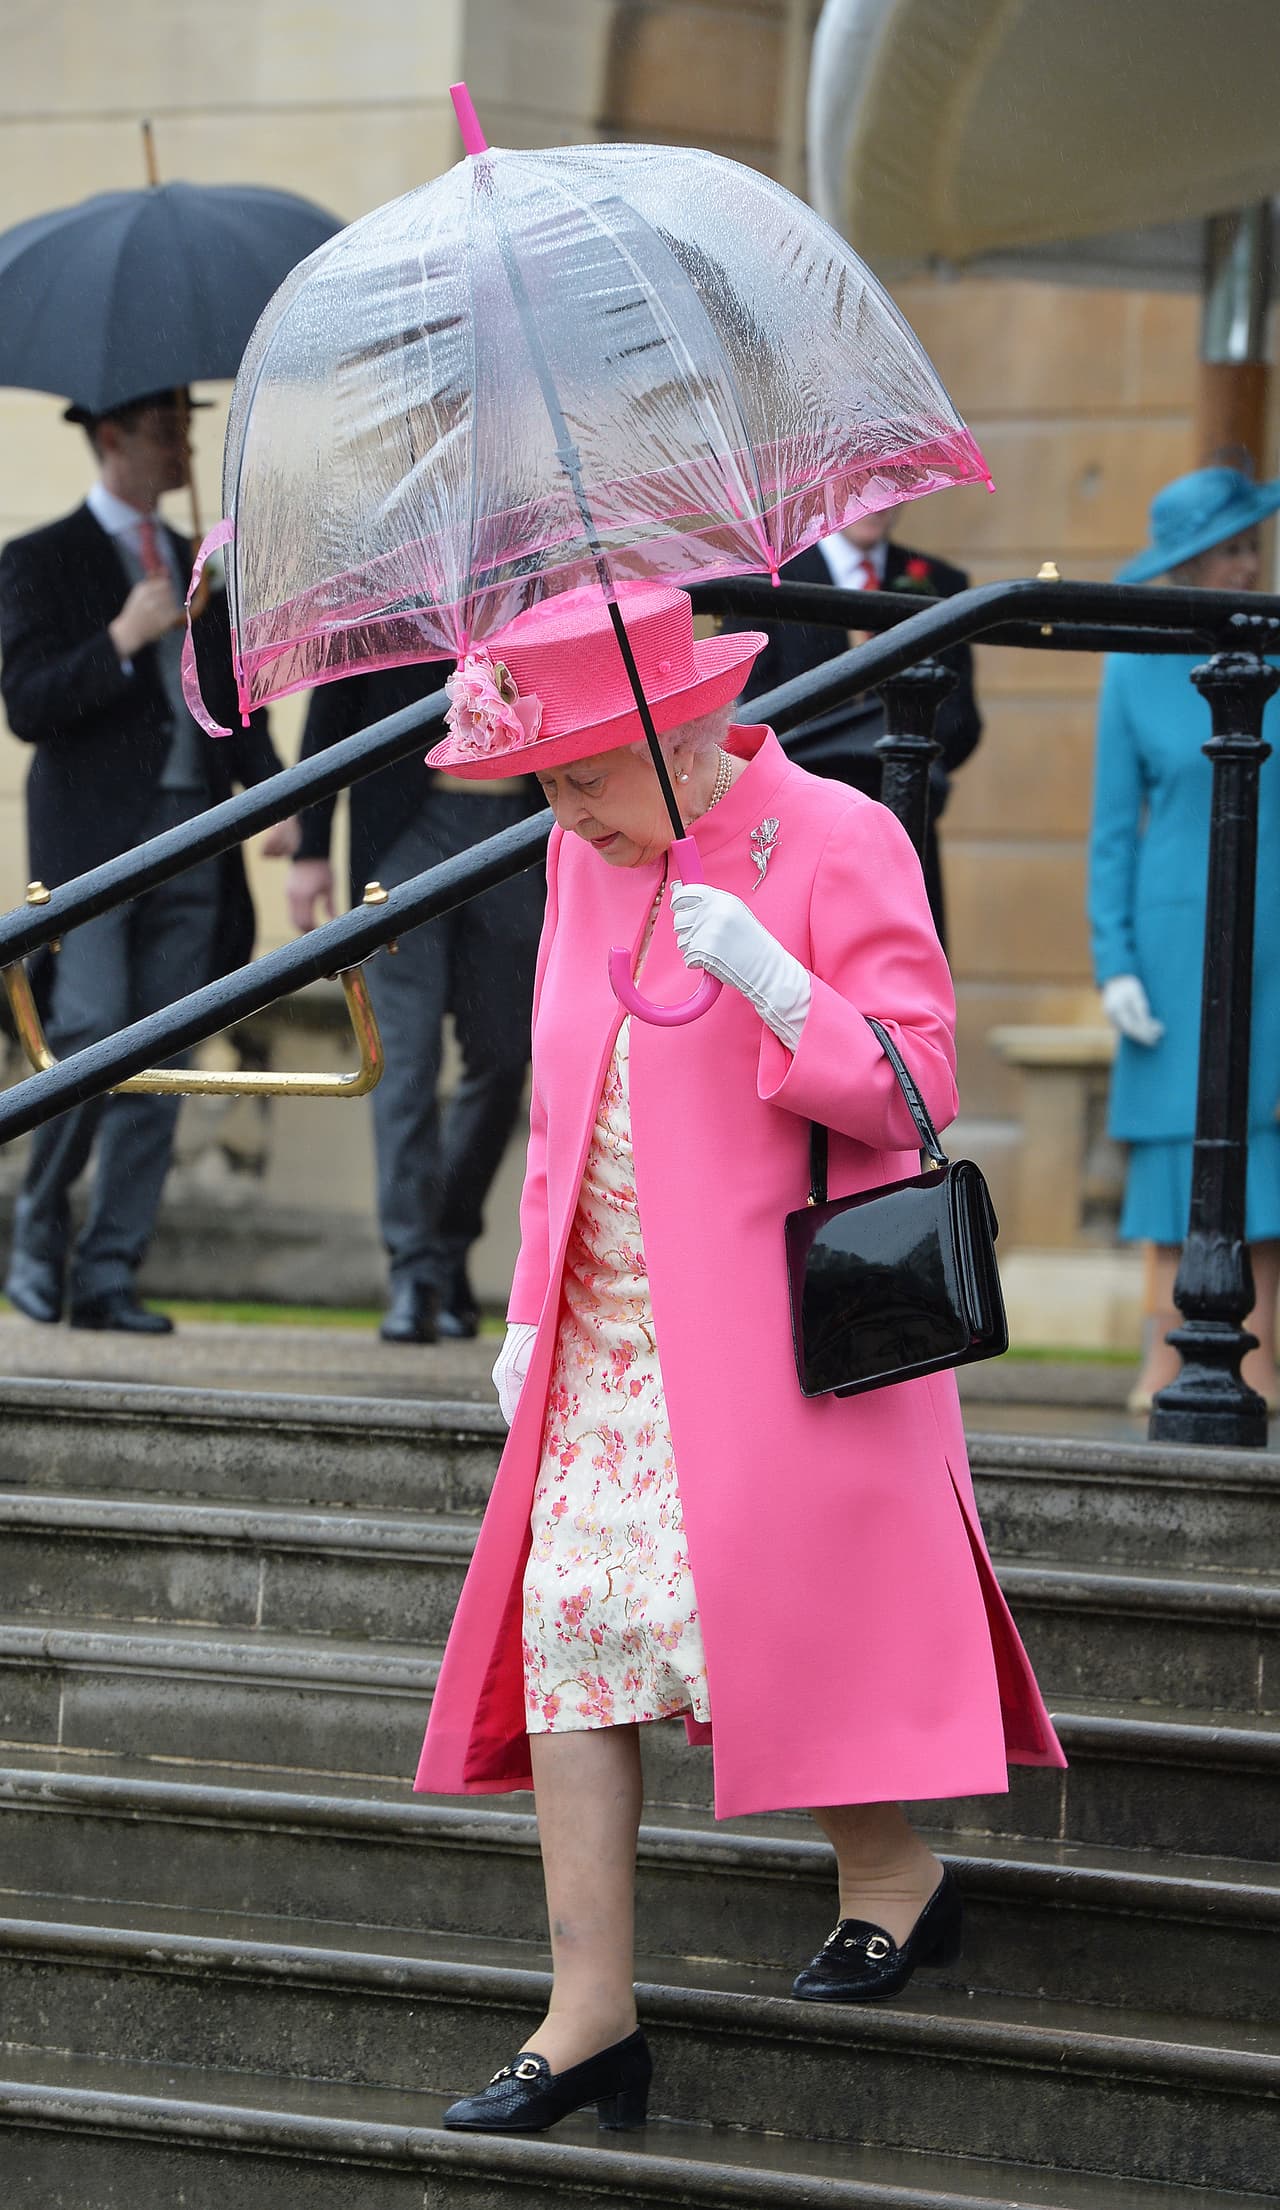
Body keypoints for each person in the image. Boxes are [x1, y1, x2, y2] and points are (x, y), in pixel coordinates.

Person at [411, 582, 1064, 2135]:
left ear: (678, 725)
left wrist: (781, 982)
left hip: (781, 1325)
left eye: (582, 769)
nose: (561, 806)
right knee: (577, 1633)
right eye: (546, 778)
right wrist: (521, 1308)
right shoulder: (585, 856)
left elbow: (915, 1092)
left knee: (762, 1614)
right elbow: (565, 1101)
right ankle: (589, 2016)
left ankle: (893, 1869)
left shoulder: (839, 835)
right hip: (607, 1331)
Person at [0, 387, 287, 1334]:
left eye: (189, 429)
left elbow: (235, 710)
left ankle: (110, 1272)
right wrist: (123, 636)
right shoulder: (40, 559)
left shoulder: (204, 563)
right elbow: (30, 706)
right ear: (113, 435)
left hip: (192, 838)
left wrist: (278, 798)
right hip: (90, 854)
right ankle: (36, 1238)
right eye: (170, 429)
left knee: (163, 1057)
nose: (184, 445)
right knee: (88, 1034)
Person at [1091, 464, 1280, 1413]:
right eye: (1229, 548)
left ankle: (1267, 1359)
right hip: (1173, 938)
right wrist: (1113, 960)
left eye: (1252, 546)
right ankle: (1161, 1360)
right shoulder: (1133, 660)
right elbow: (1111, 828)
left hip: (1276, 931)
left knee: (1268, 1146)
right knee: (1173, 1151)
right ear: (1187, 562)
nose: (1246, 565)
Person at [285, 666, 545, 1342]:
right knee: (404, 1057)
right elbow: (331, 711)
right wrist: (311, 848)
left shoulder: (535, 576)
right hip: (402, 828)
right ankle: (414, 1269)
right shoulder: (385, 579)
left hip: (519, 830)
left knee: (504, 1055)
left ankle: (448, 1242)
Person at [723, 507, 982, 945]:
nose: (876, 501)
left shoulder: (940, 582)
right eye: (861, 485)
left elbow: (961, 722)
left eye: (889, 480)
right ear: (827, 489)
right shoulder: (769, 580)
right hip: (801, 826)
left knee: (905, 967)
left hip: (903, 817)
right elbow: (756, 710)